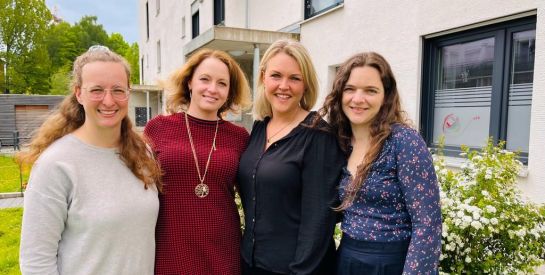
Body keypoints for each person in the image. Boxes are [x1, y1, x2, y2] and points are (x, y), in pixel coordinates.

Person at [19, 45, 162, 275]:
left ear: (128, 92)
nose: (108, 100)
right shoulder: (56, 164)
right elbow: (36, 261)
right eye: (97, 90)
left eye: (117, 90)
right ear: (79, 93)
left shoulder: (142, 153)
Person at [319, 52, 442, 274]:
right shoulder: (339, 142)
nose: (358, 99)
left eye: (370, 91)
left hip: (391, 263)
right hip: (346, 259)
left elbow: (427, 224)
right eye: (350, 89)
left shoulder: (403, 142)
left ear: (385, 96)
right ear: (339, 94)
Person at [237, 39, 344, 275]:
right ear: (263, 78)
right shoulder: (258, 129)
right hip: (251, 263)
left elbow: (319, 220)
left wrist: (300, 271)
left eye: (294, 78)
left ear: (305, 84)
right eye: (276, 75)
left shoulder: (319, 136)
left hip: (296, 269)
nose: (284, 86)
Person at [144, 48, 252, 275]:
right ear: (189, 82)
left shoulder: (239, 136)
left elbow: (252, 196)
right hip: (170, 247)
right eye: (205, 79)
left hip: (223, 248)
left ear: (229, 91)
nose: (212, 89)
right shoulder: (158, 128)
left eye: (222, 83)